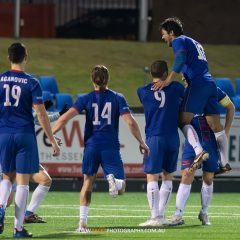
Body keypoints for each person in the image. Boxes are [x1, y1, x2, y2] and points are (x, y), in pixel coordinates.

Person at [52, 65, 149, 232]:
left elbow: (64, 118)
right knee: (121, 188)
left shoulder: (85, 99)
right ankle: (114, 180)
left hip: (91, 147)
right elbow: (131, 122)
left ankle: (82, 224)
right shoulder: (118, 98)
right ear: (107, 79)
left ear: (92, 80)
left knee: (87, 183)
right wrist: (141, 141)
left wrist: (51, 134)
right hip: (110, 147)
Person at [153, 17, 231, 173]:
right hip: (210, 84)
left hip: (198, 85)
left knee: (182, 120)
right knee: (216, 125)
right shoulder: (195, 42)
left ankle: (198, 151)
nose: (163, 37)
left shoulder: (179, 40)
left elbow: (180, 58)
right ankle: (224, 163)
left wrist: (168, 80)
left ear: (172, 32)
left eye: (164, 34)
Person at [0, 42, 60, 238]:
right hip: (24, 135)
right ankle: (18, 229)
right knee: (23, 182)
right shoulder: (32, 82)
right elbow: (41, 114)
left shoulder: (0, 80)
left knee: (7, 177)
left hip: (4, 134)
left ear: (9, 58)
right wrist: (51, 139)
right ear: (26, 57)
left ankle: (1, 206)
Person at [168, 78, 235, 226]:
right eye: (184, 78)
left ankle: (204, 212)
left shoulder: (213, 91)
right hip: (192, 144)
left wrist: (226, 132)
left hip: (210, 142)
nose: (185, 80)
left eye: (187, 78)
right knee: (187, 174)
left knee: (208, 177)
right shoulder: (183, 94)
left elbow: (231, 107)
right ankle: (178, 214)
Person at [0, 101, 67, 224]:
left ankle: (25, 215)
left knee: (9, 197)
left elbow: (40, 118)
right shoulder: (25, 108)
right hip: (18, 153)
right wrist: (59, 116)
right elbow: (42, 117)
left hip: (10, 152)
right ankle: (18, 226)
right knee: (19, 188)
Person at [137, 60, 184, 226]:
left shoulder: (142, 91)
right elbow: (185, 94)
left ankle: (155, 217)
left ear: (151, 74)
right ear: (166, 74)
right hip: (172, 137)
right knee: (167, 176)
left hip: (154, 137)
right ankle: (161, 216)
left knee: (152, 177)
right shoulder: (177, 88)